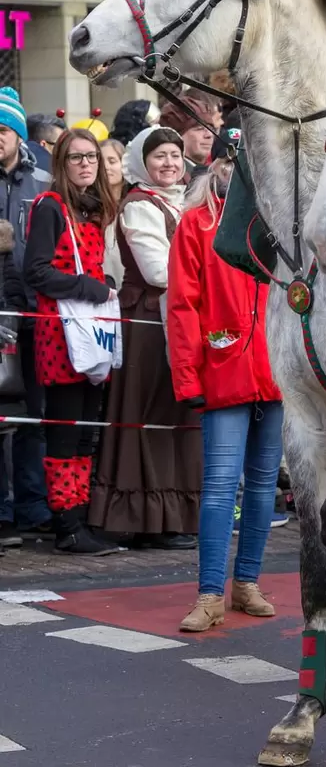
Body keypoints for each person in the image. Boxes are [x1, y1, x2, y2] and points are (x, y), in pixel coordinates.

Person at [168, 159, 284, 632]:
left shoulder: (278, 224)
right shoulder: (195, 224)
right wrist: (188, 379)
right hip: (223, 370)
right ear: (212, 166)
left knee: (262, 487)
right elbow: (181, 305)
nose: (239, 172)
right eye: (230, 161)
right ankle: (210, 593)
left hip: (273, 372)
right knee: (220, 487)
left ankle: (247, 583)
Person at [89, 126, 201, 548]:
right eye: (160, 156)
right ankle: (151, 519)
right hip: (152, 325)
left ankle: (174, 515)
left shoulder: (182, 201)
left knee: (176, 418)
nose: (169, 163)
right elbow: (159, 271)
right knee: (154, 415)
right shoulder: (139, 206)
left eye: (175, 155)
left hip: (179, 320)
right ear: (142, 162)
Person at [23, 128, 119, 555]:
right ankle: (66, 525)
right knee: (64, 433)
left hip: (86, 330)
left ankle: (77, 519)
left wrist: (103, 283)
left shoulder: (92, 209)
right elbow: (37, 271)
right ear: (61, 164)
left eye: (92, 158)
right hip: (59, 334)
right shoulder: (51, 207)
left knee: (83, 434)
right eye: (76, 158)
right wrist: (91, 287)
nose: (86, 164)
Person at [0, 87, 52, 549]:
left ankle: (33, 507)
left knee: (35, 416)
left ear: (18, 135)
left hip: (35, 312)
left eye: (2, 130)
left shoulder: (44, 184)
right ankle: (2, 510)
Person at [159, 94, 215, 179]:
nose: (209, 135)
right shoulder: (170, 180)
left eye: (211, 128)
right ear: (177, 136)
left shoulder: (215, 171)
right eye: (200, 129)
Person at [100, 139, 127, 290]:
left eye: (112, 161)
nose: (106, 167)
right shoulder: (89, 205)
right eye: (101, 161)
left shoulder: (133, 203)